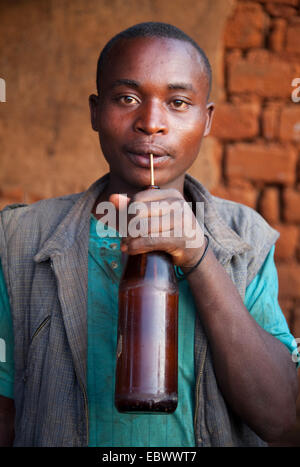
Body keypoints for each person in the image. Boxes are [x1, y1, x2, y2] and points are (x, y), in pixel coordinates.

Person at [0, 22, 298, 447]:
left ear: (207, 120)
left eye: (178, 102)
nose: (151, 123)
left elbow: (284, 420)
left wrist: (197, 256)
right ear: (95, 112)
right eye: (127, 98)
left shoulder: (244, 238)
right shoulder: (19, 239)